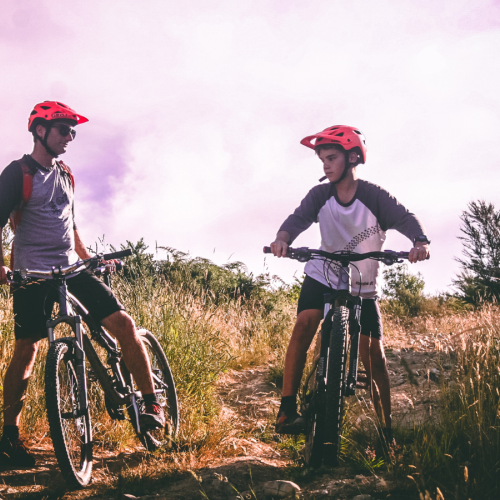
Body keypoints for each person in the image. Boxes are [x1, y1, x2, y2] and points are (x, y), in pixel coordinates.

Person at [0, 101, 165, 468]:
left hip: (73, 268)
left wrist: (90, 257)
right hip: (33, 275)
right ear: (40, 131)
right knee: (26, 348)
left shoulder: (66, 174)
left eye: (73, 130)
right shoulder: (17, 173)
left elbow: (69, 224)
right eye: (63, 129)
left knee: (123, 324)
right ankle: (9, 436)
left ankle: (150, 401)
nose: (70, 136)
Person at [269, 125, 430, 437]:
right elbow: (296, 220)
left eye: (331, 158)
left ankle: (386, 429)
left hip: (361, 281)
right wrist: (281, 239)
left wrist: (420, 242)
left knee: (374, 357)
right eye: (322, 160)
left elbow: (406, 218)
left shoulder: (374, 196)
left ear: (353, 156)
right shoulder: (320, 195)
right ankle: (287, 410)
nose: (326, 165)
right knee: (304, 324)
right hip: (323, 272)